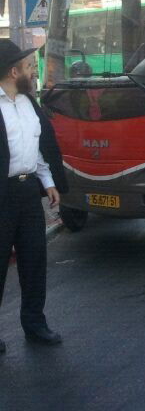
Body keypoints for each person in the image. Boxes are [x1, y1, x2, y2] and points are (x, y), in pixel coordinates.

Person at [0, 41, 68, 353]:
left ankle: (35, 324)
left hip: (28, 193)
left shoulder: (29, 103)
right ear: (13, 72)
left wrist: (48, 181)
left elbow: (39, 148)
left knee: (33, 260)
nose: (32, 71)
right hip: (2, 193)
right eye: (27, 66)